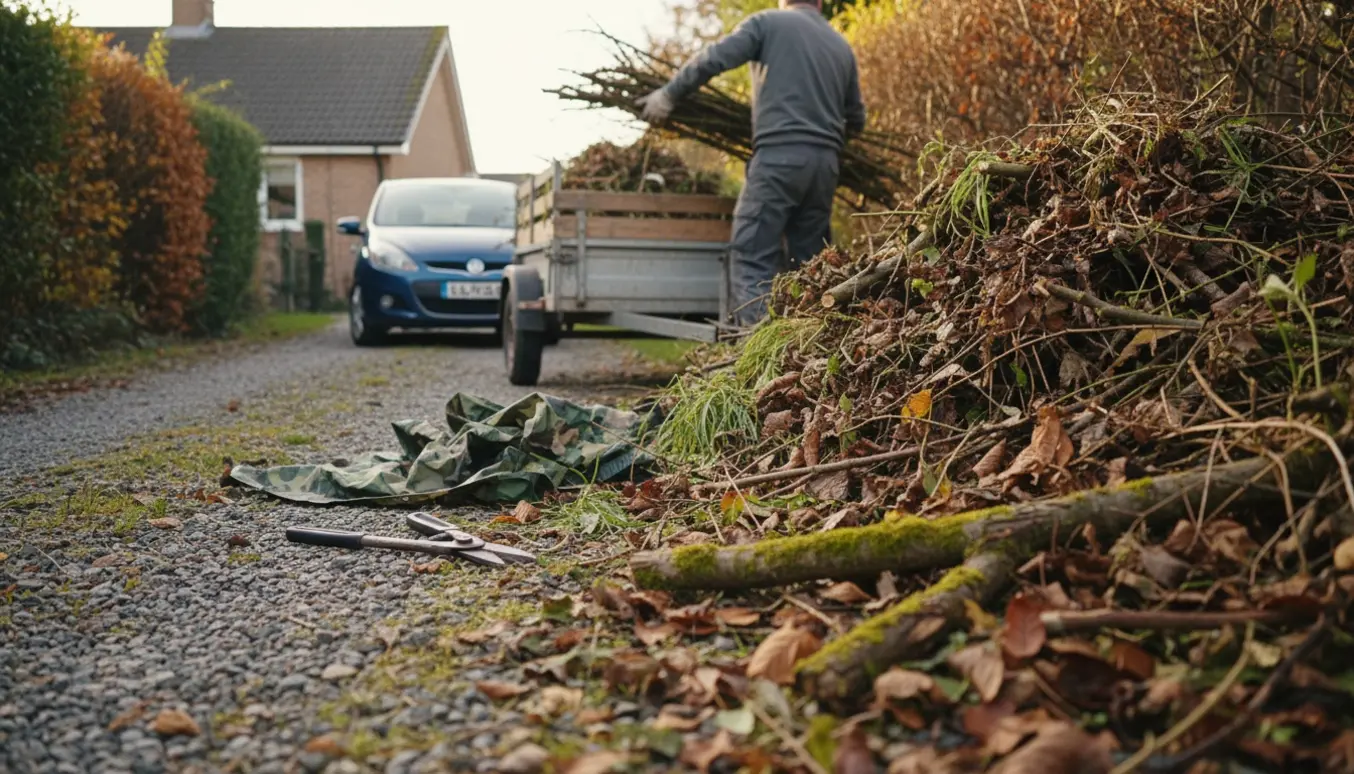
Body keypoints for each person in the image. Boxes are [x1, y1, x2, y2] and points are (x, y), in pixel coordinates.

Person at [637, 0, 866, 326]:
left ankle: (754, 345)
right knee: (810, 266)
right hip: (824, 168)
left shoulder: (767, 23)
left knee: (752, 256)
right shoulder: (841, 46)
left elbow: (713, 59)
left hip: (779, 159)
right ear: (819, 2)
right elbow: (856, 119)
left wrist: (669, 95)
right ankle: (808, 345)